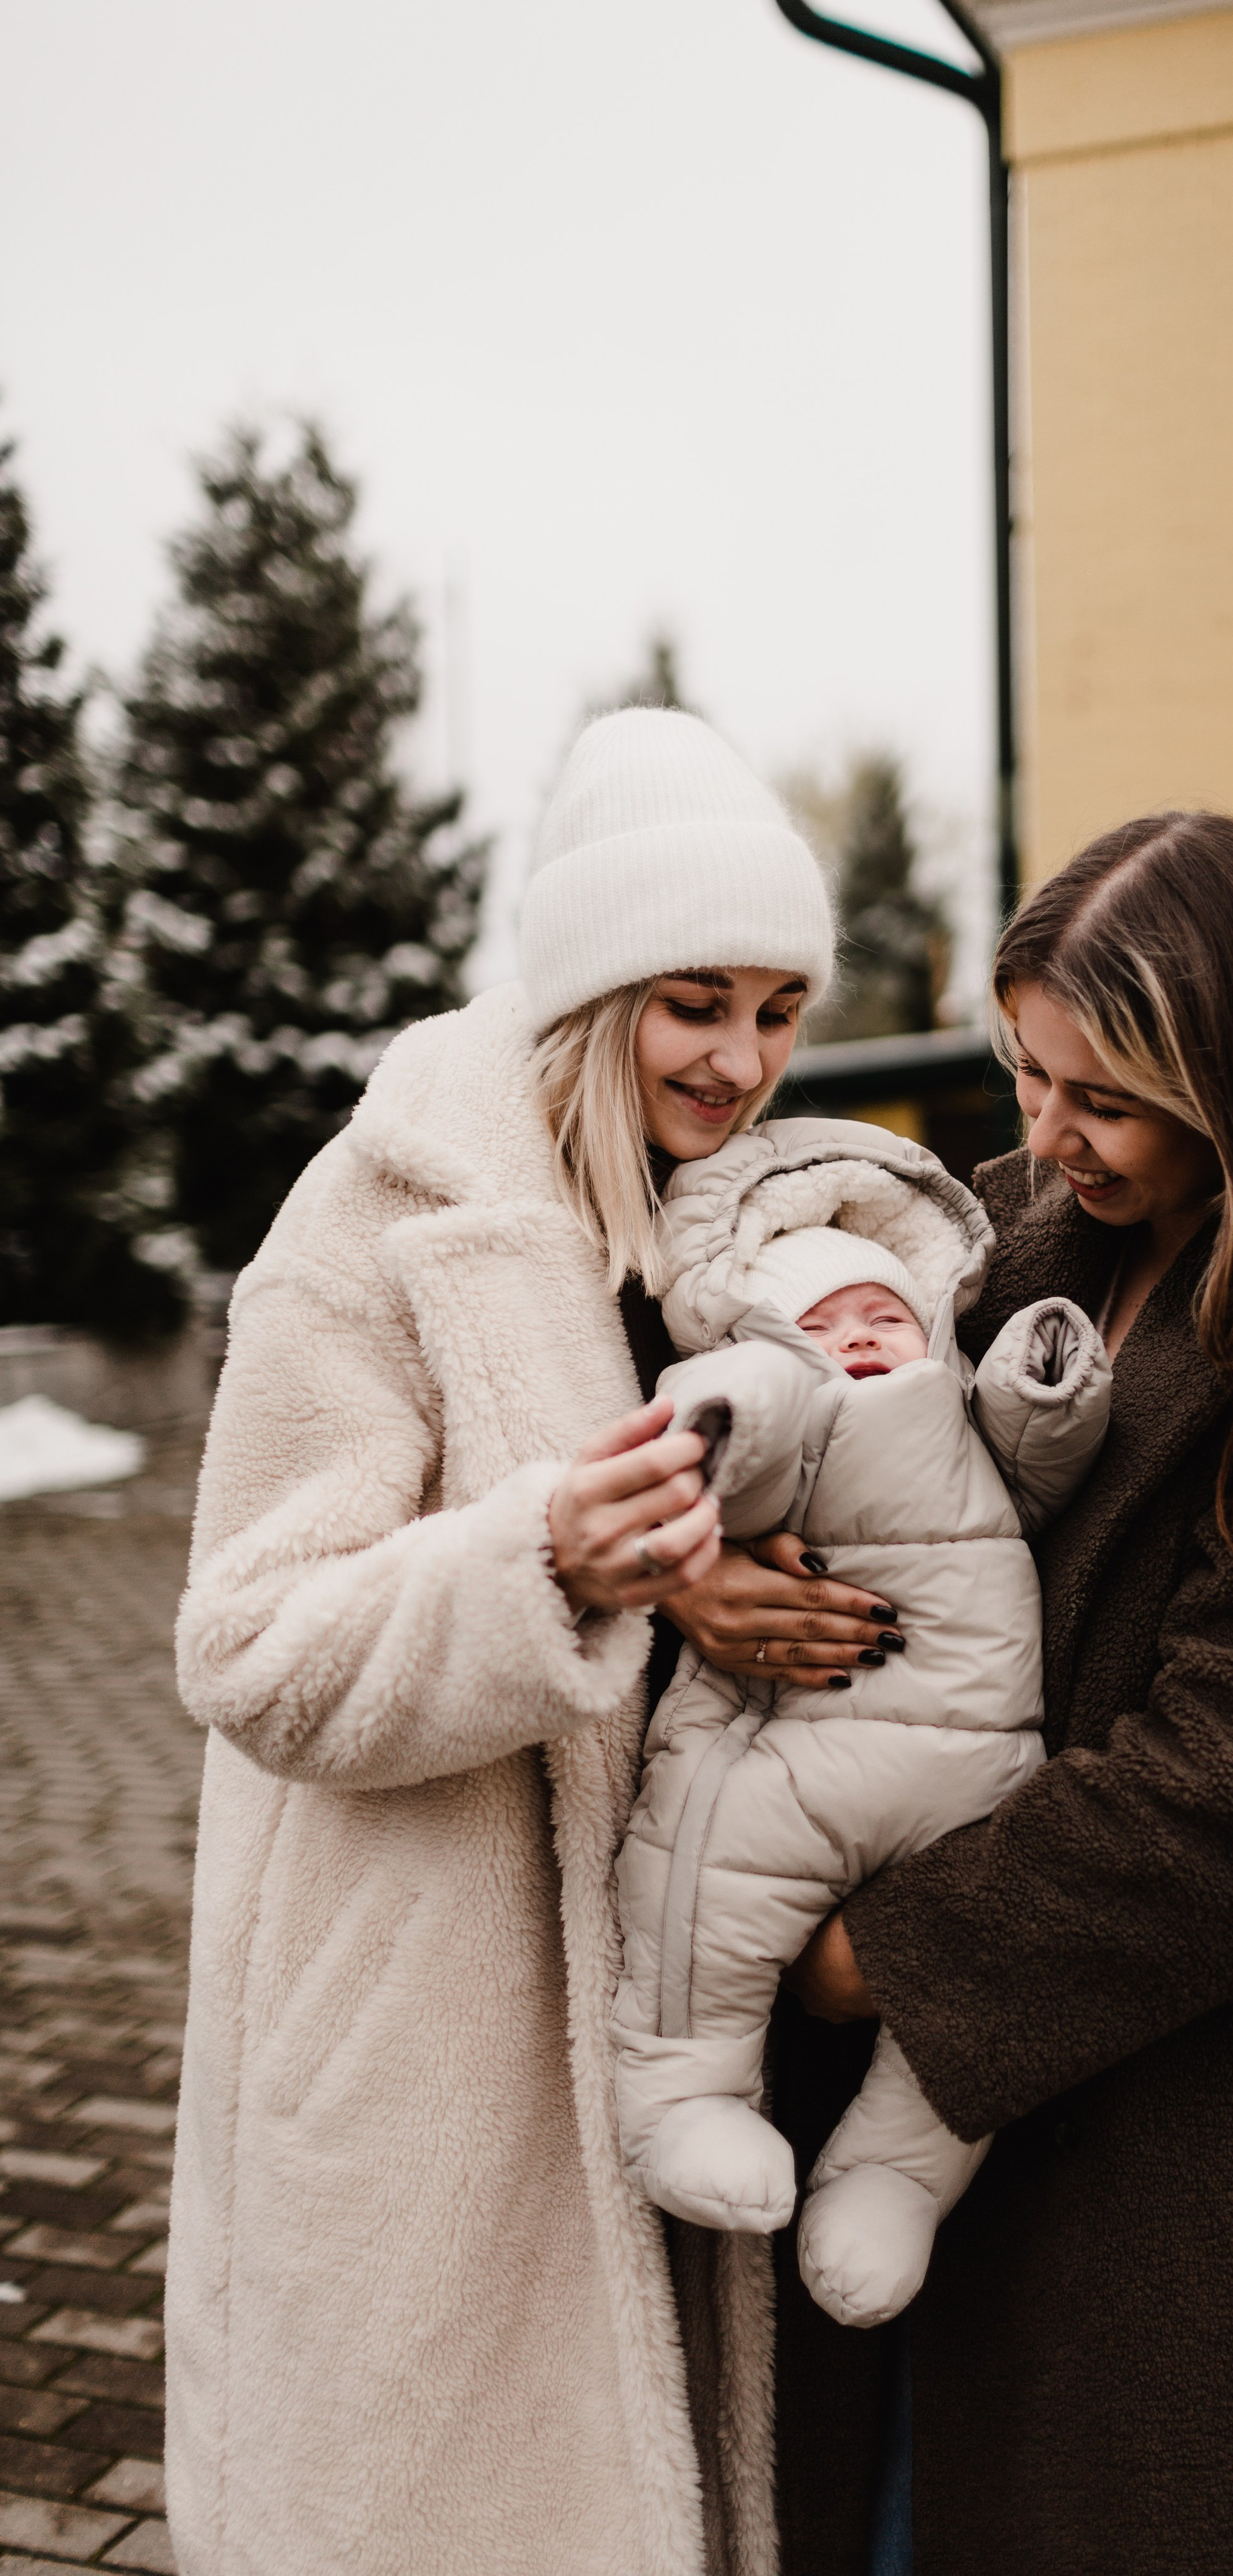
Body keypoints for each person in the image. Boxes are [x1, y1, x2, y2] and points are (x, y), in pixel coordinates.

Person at [764, 812, 1233, 2576]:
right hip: (944, 2129)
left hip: (1189, 2145)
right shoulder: (1024, 1239)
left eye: (1099, 1098)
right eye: (1027, 1071)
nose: (1044, 1135)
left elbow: (1232, 1816)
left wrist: (859, 1953)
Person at [164, 708, 885, 2576]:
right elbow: (245, 1649)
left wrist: (700, 1591)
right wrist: (546, 1563)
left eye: (780, 1009)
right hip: (436, 2040)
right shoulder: (375, 1219)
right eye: (694, 1003)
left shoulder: (725, 1223)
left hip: (662, 2009)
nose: (743, 1061)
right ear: (591, 990)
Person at [609, 1127, 1110, 2331]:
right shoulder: (791, 1397)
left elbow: (1042, 1465)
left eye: (884, 1313)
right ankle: (686, 2097)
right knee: (706, 1887)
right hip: (799, 1756)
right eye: (828, 1323)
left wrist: (1045, 1381)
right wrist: (726, 1415)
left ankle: (893, 2183)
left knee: (977, 1994)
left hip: (979, 1779)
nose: (864, 1336)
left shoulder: (955, 1404)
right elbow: (733, 1432)